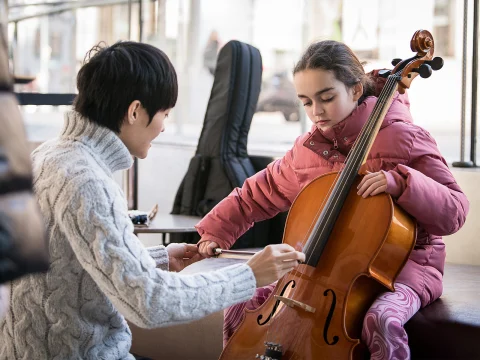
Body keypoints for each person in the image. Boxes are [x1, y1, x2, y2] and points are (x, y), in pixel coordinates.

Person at [0, 41, 305, 360]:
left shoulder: (47, 156)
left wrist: (160, 258)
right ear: (135, 111)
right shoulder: (88, 181)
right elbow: (150, 302)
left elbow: (75, 261)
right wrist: (251, 275)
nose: (164, 127)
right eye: (165, 114)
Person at [196, 40, 469, 359]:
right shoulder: (308, 150)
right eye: (306, 102)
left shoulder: (403, 137)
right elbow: (260, 192)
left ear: (355, 90)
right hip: (324, 265)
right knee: (242, 297)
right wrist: (216, 231)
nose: (316, 111)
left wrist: (402, 183)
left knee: (380, 320)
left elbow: (455, 211)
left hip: (405, 266)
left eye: (326, 98)